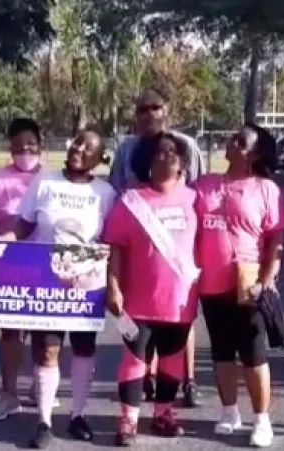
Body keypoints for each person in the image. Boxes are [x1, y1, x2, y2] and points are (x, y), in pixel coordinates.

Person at [0, 130, 117, 448]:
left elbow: (112, 241)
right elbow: (24, 225)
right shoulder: (44, 182)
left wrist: (112, 281)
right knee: (47, 349)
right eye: (76, 142)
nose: (78, 148)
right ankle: (44, 421)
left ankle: (77, 415)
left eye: (88, 147)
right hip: (46, 281)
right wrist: (4, 240)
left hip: (87, 283)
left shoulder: (106, 192)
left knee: (84, 348)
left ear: (99, 159)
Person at [109, 88, 205, 407]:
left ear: (166, 110)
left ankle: (188, 381)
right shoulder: (126, 150)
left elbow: (198, 192)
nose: (149, 114)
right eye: (142, 110)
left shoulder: (185, 146)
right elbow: (115, 191)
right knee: (139, 327)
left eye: (155, 107)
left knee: (180, 318)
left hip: (177, 246)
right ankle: (142, 382)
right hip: (139, 236)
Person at [103, 132, 200, 446]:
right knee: (135, 360)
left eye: (173, 152)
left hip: (180, 301)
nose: (166, 156)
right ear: (147, 162)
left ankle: (163, 414)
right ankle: (128, 420)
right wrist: (113, 287)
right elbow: (114, 248)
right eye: (159, 152)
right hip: (138, 302)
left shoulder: (195, 199)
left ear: (183, 163)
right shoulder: (130, 202)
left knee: (172, 359)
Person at [194, 124, 284, 447]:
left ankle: (262, 419)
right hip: (212, 281)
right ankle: (229, 411)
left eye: (241, 141)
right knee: (221, 350)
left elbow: (275, 236)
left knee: (253, 352)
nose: (231, 142)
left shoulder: (266, 190)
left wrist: (268, 278)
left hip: (250, 282)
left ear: (255, 153)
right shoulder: (204, 185)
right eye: (231, 136)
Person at [0, 117, 47, 421]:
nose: (25, 150)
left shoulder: (53, 179)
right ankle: (9, 394)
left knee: (45, 334)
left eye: (30, 144)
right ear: (10, 148)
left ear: (40, 145)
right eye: (18, 146)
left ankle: (40, 389)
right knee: (11, 332)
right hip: (9, 266)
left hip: (47, 266)